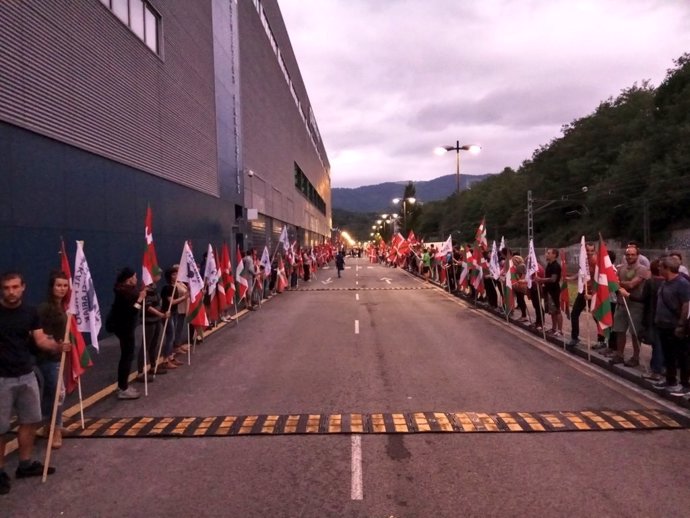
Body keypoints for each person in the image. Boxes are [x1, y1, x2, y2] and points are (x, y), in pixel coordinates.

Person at [0, 271, 70, 493]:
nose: (11, 291)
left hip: (26, 375)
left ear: (23, 287)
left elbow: (40, 340)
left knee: (30, 421)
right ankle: (0, 471)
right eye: (6, 288)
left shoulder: (30, 313)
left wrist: (58, 347)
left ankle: (25, 464)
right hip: (2, 379)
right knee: (0, 429)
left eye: (14, 287)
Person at [36, 270, 70, 449]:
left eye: (65, 285)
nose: (62, 289)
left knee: (52, 393)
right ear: (51, 287)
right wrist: (56, 345)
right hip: (47, 358)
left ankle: (50, 426)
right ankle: (55, 429)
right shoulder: (45, 309)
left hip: (57, 356)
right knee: (59, 393)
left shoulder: (60, 307)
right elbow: (39, 335)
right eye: (58, 285)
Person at [653, 255, 690, 395]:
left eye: (661, 266)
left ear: (667, 268)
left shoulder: (682, 284)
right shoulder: (665, 283)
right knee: (668, 355)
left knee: (682, 356)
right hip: (664, 326)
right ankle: (670, 380)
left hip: (676, 327)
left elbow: (686, 305)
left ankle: (685, 384)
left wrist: (681, 325)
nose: (659, 268)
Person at [109, 267, 147, 400]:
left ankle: (123, 385)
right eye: (135, 277)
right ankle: (122, 388)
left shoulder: (127, 291)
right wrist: (140, 299)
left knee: (128, 355)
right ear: (129, 279)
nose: (136, 279)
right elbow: (132, 311)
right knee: (127, 356)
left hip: (127, 327)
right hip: (124, 328)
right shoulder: (124, 294)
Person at [610, 246, 650, 366]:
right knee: (619, 330)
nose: (630, 257)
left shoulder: (642, 269)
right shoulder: (620, 269)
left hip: (635, 306)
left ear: (638, 255)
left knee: (634, 333)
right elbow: (613, 284)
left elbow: (632, 284)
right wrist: (616, 284)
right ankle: (619, 355)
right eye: (628, 254)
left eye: (633, 254)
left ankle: (635, 357)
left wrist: (618, 283)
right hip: (621, 304)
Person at [137, 274, 170, 379]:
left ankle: (153, 366)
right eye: (158, 274)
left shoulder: (154, 287)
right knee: (145, 345)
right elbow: (147, 307)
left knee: (154, 345)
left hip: (156, 320)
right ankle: (140, 372)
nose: (160, 276)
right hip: (149, 320)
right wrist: (161, 315)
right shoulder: (145, 288)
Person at [566, 242, 597, 348]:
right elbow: (580, 273)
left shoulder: (596, 262)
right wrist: (571, 278)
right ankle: (574, 337)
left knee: (597, 316)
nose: (589, 253)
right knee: (574, 313)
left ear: (595, 251)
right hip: (583, 291)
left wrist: (593, 294)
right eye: (587, 250)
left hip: (592, 293)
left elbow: (598, 279)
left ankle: (603, 340)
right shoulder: (583, 261)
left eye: (591, 251)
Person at [537, 248, 563, 337]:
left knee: (557, 310)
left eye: (548, 253)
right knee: (552, 311)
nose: (546, 254)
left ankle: (560, 330)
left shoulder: (556, 266)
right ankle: (553, 328)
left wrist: (541, 280)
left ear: (554, 255)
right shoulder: (549, 264)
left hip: (554, 291)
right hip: (548, 290)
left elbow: (553, 279)